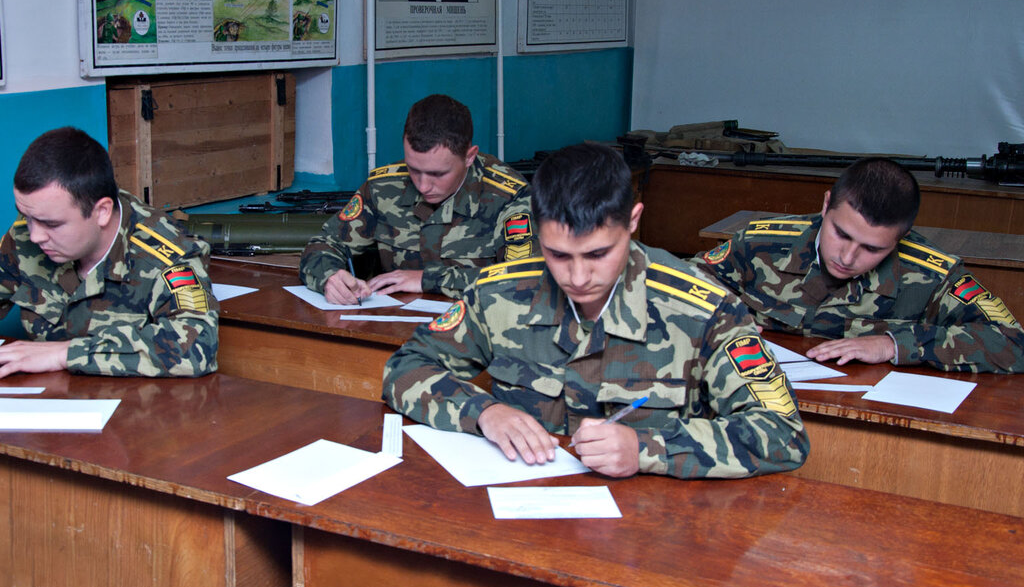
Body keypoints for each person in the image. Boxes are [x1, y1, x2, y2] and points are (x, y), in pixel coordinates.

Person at [383, 143, 808, 479]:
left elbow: (782, 434)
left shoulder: (704, 310)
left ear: (633, 220)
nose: (579, 276)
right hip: (523, 510)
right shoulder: (501, 293)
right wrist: (485, 413)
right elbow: (405, 368)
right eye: (558, 255)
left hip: (653, 531)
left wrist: (646, 450)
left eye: (598, 253)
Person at [0, 127, 218, 379]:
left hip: (134, 425)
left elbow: (195, 345)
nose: (34, 234)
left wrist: (65, 353)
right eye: (26, 216)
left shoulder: (167, 254)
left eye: (50, 223)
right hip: (45, 411)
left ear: (101, 212)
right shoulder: (28, 235)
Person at [692, 157, 1024, 373]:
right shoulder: (760, 243)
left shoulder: (930, 275)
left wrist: (892, 344)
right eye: (841, 234)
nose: (848, 257)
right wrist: (722, 311)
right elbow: (684, 280)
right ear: (825, 205)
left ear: (901, 237)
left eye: (872, 248)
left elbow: (1013, 343)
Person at [299, 94, 537, 303]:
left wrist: (428, 280)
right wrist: (329, 276)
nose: (423, 185)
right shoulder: (385, 187)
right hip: (391, 329)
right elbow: (324, 244)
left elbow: (526, 278)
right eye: (413, 169)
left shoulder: (509, 197)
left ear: (469, 156)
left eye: (437, 174)